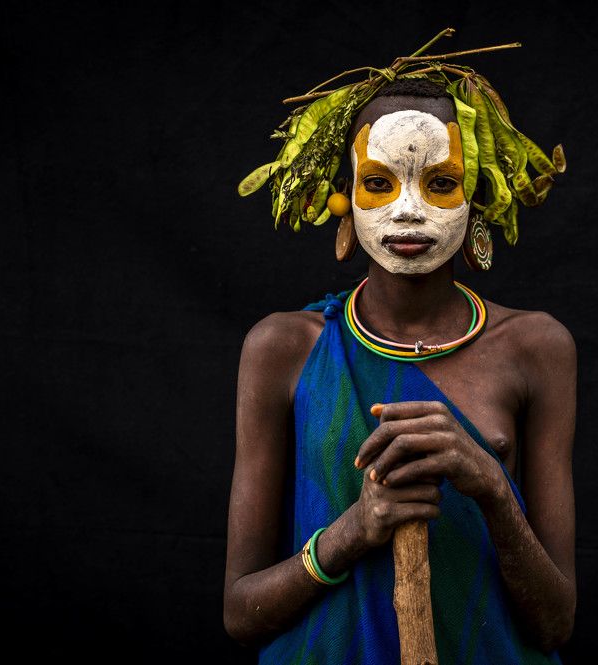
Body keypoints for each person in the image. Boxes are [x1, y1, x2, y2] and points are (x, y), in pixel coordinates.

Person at [224, 52, 577, 663]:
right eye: (380, 182)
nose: (409, 210)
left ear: (478, 197)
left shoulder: (537, 349)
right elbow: (240, 614)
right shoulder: (281, 349)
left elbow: (555, 626)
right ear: (345, 195)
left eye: (440, 183)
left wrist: (491, 487)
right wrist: (350, 533)